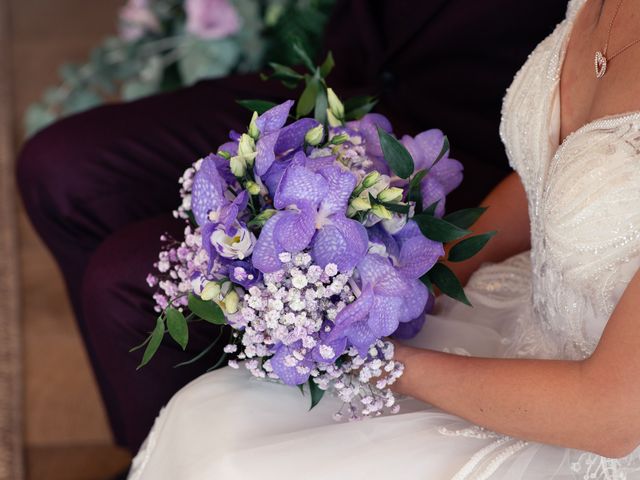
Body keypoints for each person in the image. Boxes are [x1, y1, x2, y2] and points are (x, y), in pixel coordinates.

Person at [16, 0, 567, 454]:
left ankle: (206, 450)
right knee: (58, 168)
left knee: (128, 280)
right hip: (344, 85)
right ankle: (154, 447)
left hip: (456, 158)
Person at [125, 0, 640, 478]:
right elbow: (551, 183)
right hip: (518, 319)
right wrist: (417, 272)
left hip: (590, 417)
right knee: (215, 415)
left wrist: (376, 359)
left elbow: (610, 418)